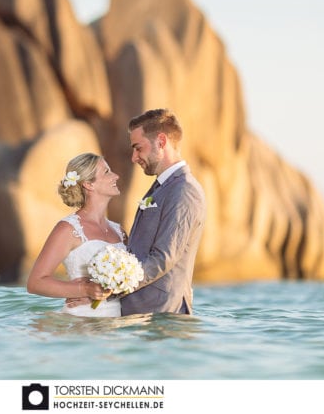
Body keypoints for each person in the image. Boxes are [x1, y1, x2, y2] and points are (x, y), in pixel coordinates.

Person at [120, 108, 206, 315]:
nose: (134, 157)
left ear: (160, 141)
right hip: (143, 313)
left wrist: (112, 287)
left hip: (163, 316)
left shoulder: (184, 189)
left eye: (138, 148)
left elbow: (164, 258)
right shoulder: (162, 186)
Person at [26, 152, 126, 317]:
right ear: (88, 184)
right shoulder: (68, 229)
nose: (116, 176)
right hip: (82, 323)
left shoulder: (119, 231)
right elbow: (35, 282)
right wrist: (83, 289)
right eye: (107, 172)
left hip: (117, 326)